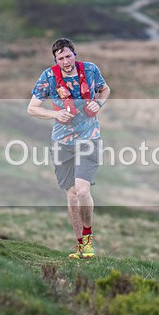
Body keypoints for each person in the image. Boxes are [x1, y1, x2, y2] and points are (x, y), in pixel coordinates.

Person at [28, 38, 110, 259]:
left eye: (68, 56)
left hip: (89, 138)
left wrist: (99, 103)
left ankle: (89, 238)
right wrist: (55, 114)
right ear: (56, 60)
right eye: (60, 58)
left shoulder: (91, 70)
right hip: (62, 142)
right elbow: (32, 108)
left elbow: (105, 89)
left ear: (75, 54)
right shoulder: (48, 77)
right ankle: (81, 246)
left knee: (83, 190)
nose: (65, 61)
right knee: (72, 195)